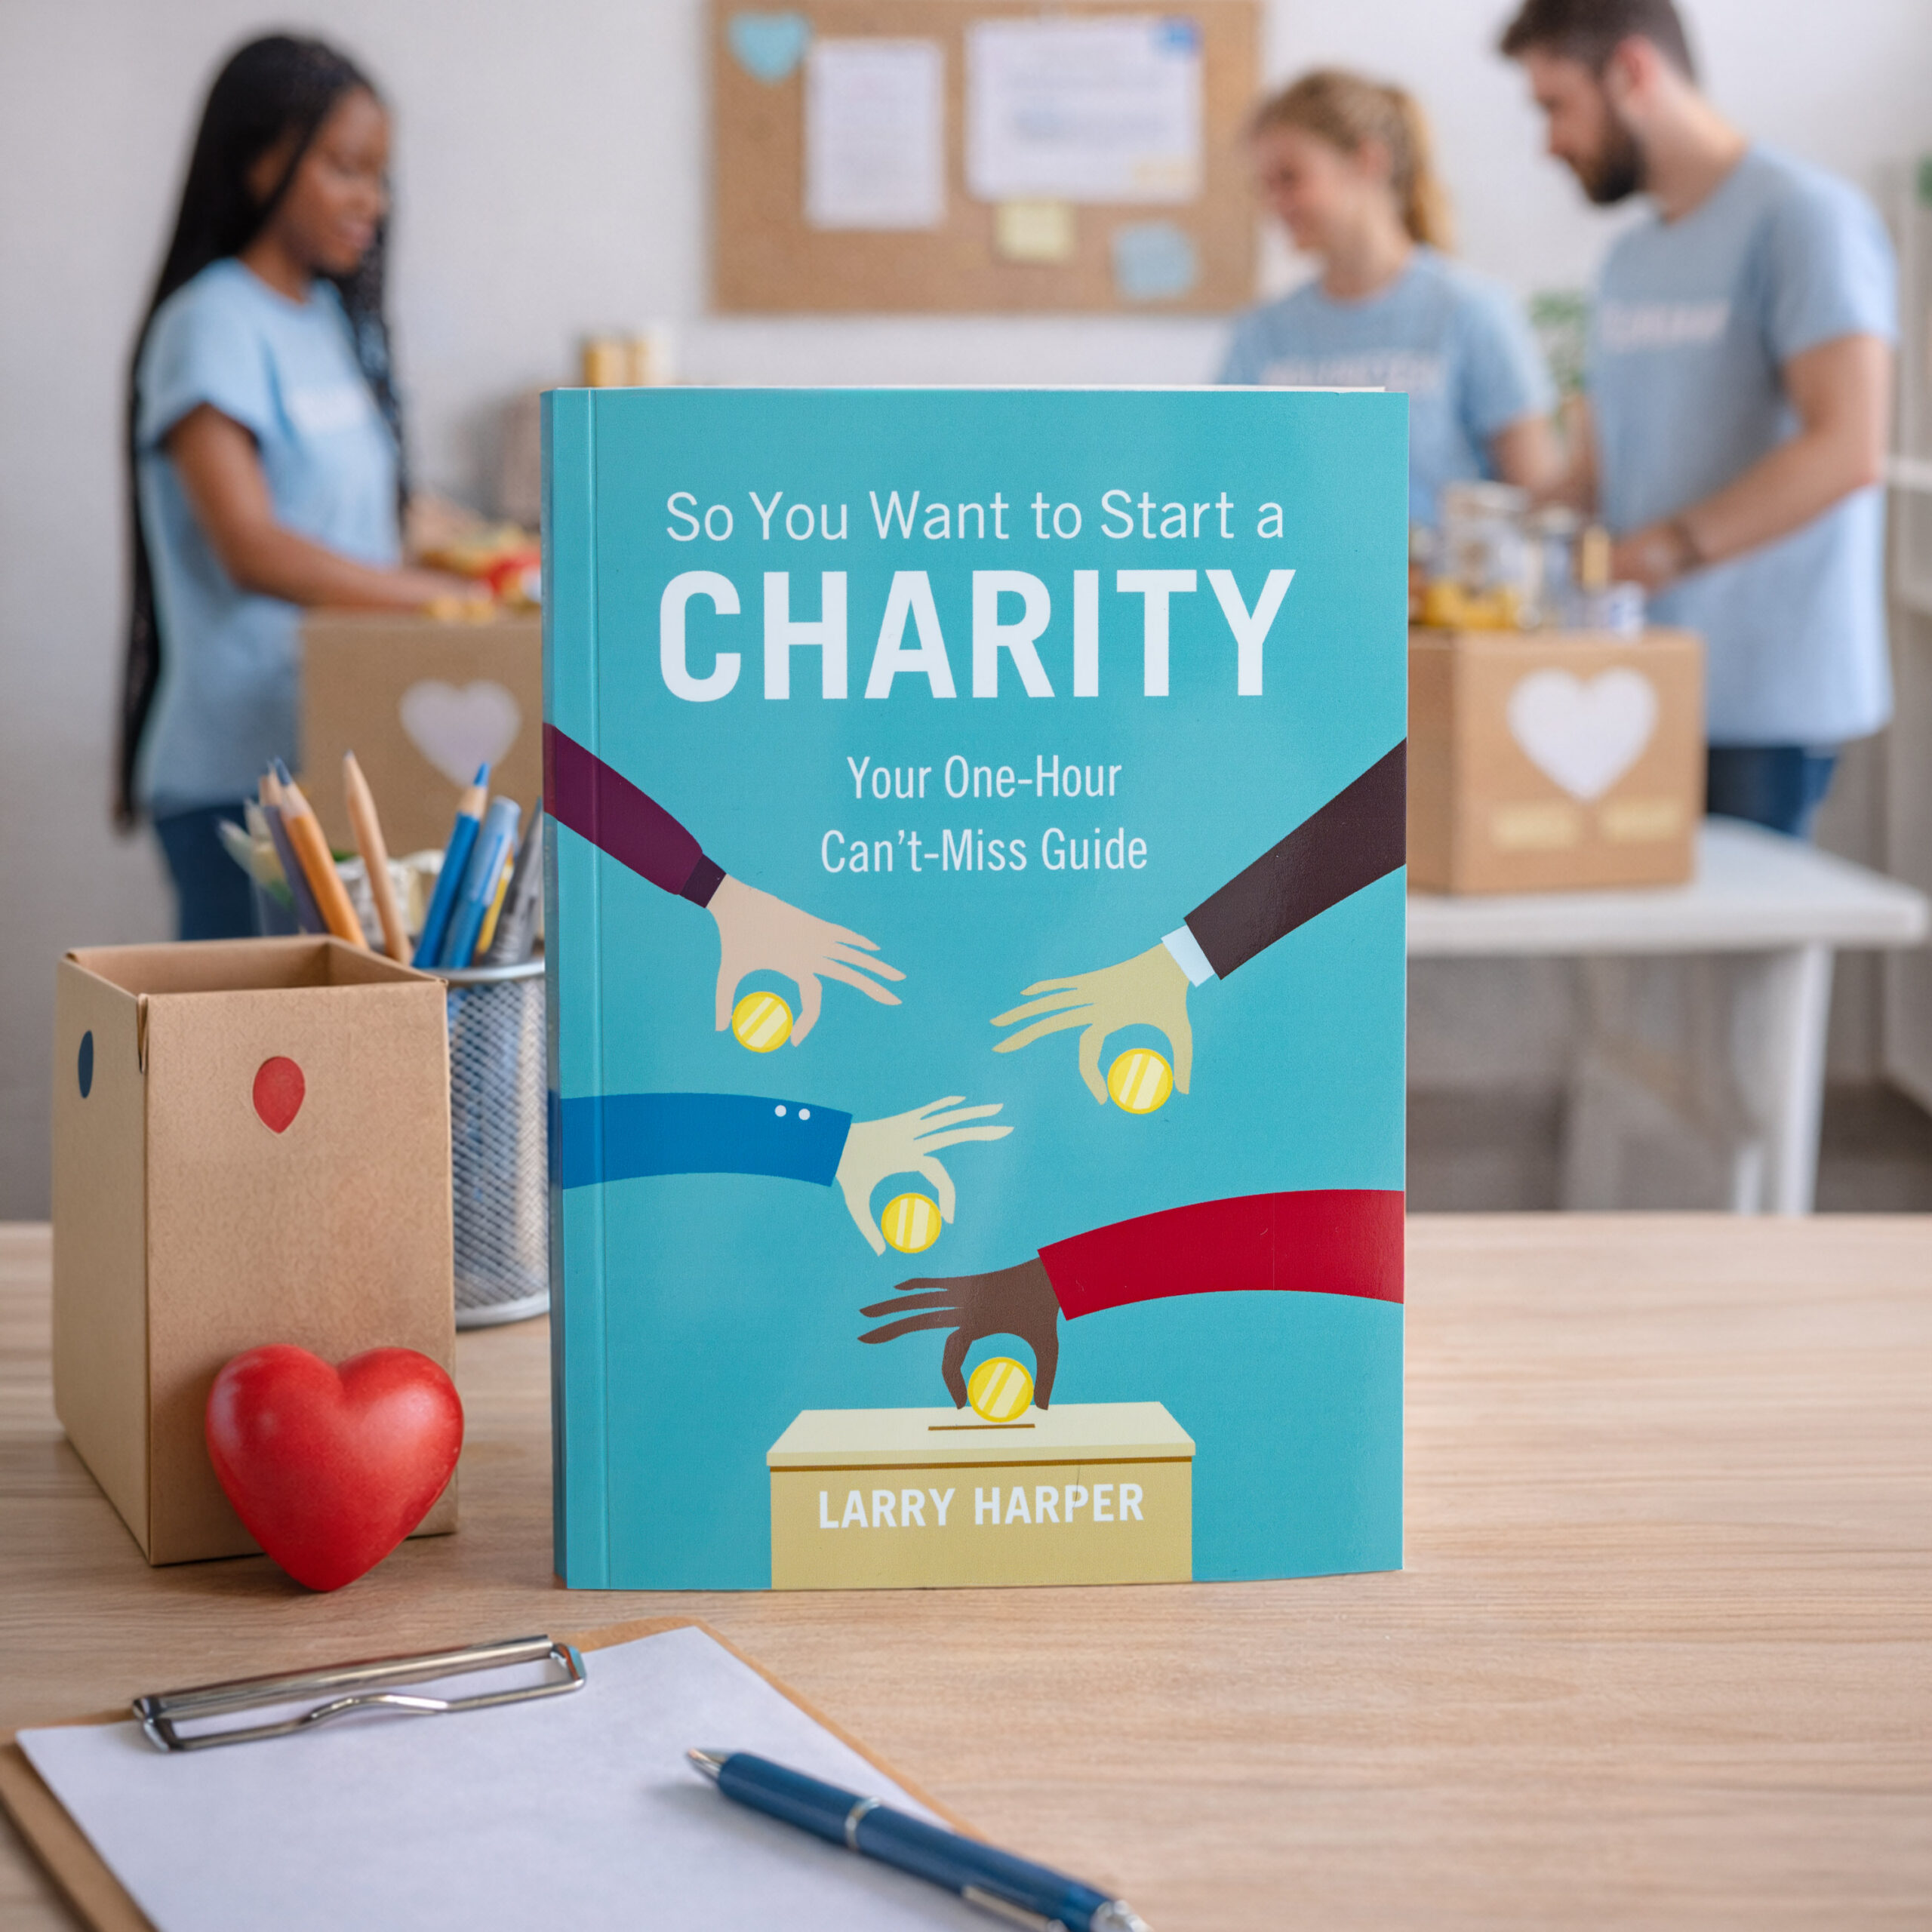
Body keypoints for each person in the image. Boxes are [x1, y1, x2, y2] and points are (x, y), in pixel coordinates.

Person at [1500, 0, 1896, 839]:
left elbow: (1847, 447)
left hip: (1766, 705)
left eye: (1556, 106)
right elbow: (1597, 473)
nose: (1548, 144)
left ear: (1631, 73)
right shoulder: (1628, 260)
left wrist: (1652, 557)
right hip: (1637, 684)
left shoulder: (1804, 217)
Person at [121, 35, 474, 939]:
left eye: (380, 176)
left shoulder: (328, 320)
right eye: (346, 169)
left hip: (336, 753)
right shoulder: (209, 325)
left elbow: (362, 520)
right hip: (240, 778)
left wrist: (486, 565)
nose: (373, 202)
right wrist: (441, 602)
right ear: (260, 160)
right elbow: (251, 545)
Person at [1220, 69, 1559, 525]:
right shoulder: (1263, 334)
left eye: (1290, 178)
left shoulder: (1470, 311)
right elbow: (1224, 486)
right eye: (1264, 186)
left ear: (1367, 161)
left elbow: (1537, 499)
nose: (1274, 203)